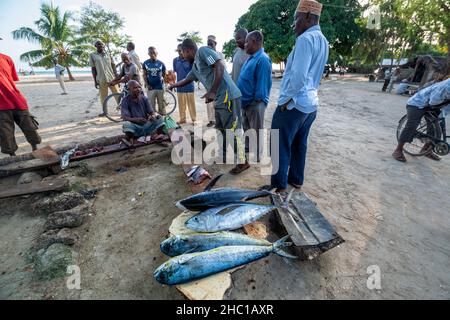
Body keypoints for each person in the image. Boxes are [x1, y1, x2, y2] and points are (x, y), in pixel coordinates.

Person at [263, 0, 329, 193]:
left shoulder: (305, 39)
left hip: (295, 104)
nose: (294, 25)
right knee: (300, 144)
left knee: (279, 144)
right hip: (311, 105)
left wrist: (285, 101)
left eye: (296, 19)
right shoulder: (323, 40)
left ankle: (278, 186)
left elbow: (299, 77)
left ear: (308, 16)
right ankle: (296, 180)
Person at [169, 39, 243, 173]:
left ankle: (244, 161)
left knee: (232, 130)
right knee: (221, 129)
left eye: (182, 52)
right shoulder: (195, 66)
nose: (182, 56)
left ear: (188, 50)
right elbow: (187, 79)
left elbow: (219, 66)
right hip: (220, 100)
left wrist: (212, 91)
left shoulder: (203, 51)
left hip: (228, 96)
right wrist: (173, 85)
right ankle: (225, 155)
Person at [236, 31, 272, 173]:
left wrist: (256, 102)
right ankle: (248, 147)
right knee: (247, 127)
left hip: (255, 103)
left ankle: (257, 155)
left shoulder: (262, 59)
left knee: (256, 129)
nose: (245, 44)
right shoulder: (251, 58)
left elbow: (262, 85)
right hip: (246, 102)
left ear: (256, 42)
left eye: (247, 42)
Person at [392, 78, 450, 163]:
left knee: (437, 131)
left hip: (432, 105)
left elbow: (447, 108)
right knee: (412, 125)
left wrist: (441, 117)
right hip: (417, 103)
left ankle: (426, 150)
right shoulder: (447, 86)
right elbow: (434, 100)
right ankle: (398, 150)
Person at [0, 43, 41, 156]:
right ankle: (12, 156)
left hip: (17, 100)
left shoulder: (6, 58)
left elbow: (11, 79)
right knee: (5, 132)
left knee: (29, 127)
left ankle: (35, 149)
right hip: (1, 106)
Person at [121, 80, 165, 146]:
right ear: (129, 89)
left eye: (139, 87)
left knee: (160, 118)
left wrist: (152, 116)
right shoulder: (125, 100)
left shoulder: (144, 98)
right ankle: (131, 138)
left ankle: (158, 136)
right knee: (126, 124)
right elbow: (125, 117)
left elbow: (151, 112)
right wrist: (137, 119)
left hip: (146, 126)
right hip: (135, 128)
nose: (138, 89)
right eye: (135, 88)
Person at [90, 40, 120, 116]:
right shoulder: (92, 55)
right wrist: (95, 81)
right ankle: (105, 111)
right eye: (98, 45)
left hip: (112, 78)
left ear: (103, 46)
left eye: (101, 44)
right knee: (103, 96)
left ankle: (121, 109)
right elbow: (93, 69)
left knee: (117, 94)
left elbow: (113, 66)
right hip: (101, 79)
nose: (100, 46)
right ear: (95, 46)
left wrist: (117, 77)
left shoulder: (108, 54)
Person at [204, 35, 226, 127]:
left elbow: (222, 68)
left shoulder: (220, 55)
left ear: (215, 44)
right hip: (209, 82)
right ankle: (211, 120)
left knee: (219, 102)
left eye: (211, 43)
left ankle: (219, 120)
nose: (210, 45)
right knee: (209, 103)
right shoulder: (205, 55)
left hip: (219, 83)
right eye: (208, 43)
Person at [173, 44, 196, 125]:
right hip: (180, 86)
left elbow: (193, 72)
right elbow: (175, 72)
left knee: (191, 104)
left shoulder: (189, 59)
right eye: (178, 51)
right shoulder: (175, 60)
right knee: (181, 105)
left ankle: (194, 119)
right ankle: (182, 119)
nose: (180, 53)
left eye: (181, 51)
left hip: (189, 86)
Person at [143, 47, 167, 115]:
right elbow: (144, 75)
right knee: (151, 108)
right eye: (151, 53)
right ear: (148, 54)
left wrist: (163, 83)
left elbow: (164, 74)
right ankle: (154, 124)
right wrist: (147, 85)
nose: (153, 54)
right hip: (151, 88)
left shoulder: (161, 63)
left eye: (154, 53)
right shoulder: (145, 63)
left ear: (157, 53)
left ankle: (163, 122)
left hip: (160, 88)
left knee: (162, 107)